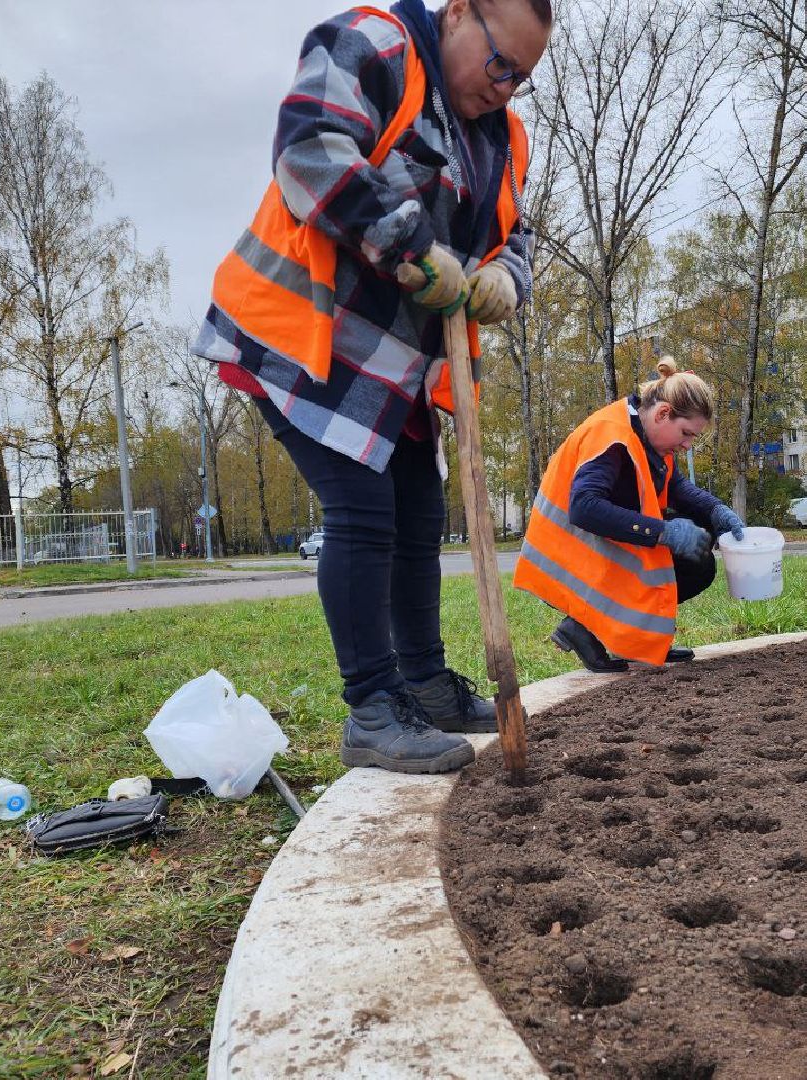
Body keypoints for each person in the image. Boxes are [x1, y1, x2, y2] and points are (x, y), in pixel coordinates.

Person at [192, 0, 551, 774]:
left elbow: (514, 236)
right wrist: (414, 249)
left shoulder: (504, 139)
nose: (507, 90)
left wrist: (504, 281)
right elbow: (309, 151)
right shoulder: (376, 45)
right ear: (457, 12)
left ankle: (425, 685)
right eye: (500, 65)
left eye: (523, 78)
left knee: (420, 515)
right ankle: (372, 711)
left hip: (402, 370)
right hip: (310, 339)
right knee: (363, 511)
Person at [514, 359, 746, 673]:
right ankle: (583, 627)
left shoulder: (648, 439)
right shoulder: (612, 434)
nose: (688, 444)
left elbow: (675, 485)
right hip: (570, 557)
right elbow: (583, 507)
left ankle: (633, 640)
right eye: (686, 433)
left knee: (697, 563)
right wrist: (663, 532)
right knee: (691, 561)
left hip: (596, 550)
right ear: (663, 413)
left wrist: (715, 510)